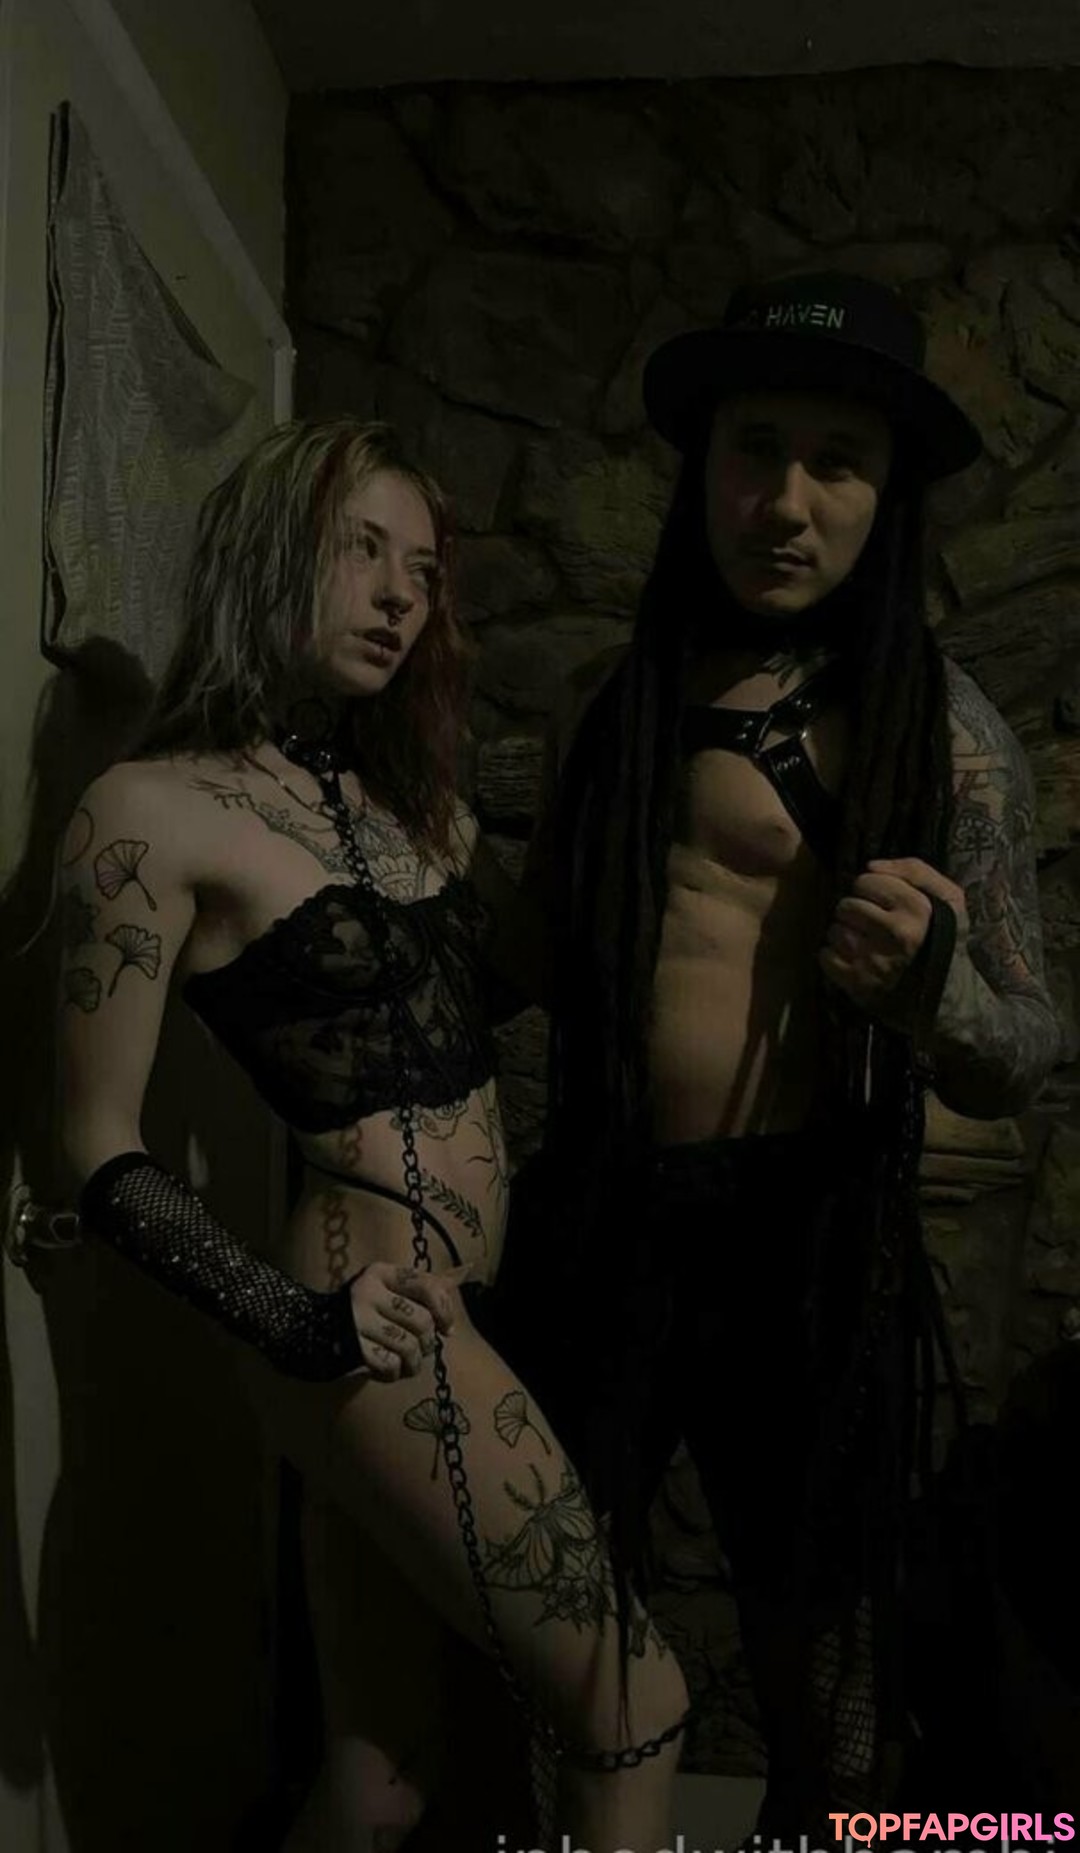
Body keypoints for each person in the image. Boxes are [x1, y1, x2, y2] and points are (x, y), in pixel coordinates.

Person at [55, 417, 688, 1853]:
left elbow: (514, 979)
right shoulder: (150, 811)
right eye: (362, 550)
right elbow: (95, 1144)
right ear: (268, 553)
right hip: (366, 1316)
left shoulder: (413, 810)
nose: (402, 595)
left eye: (424, 569)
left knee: (380, 1778)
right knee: (636, 1701)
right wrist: (295, 1323)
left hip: (454, 1308)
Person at [510, 270, 1063, 1827]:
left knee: (837, 1693)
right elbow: (519, 954)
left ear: (889, 496)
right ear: (705, 463)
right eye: (757, 448)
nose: (789, 501)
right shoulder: (610, 702)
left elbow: (1022, 1052)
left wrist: (933, 988)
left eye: (839, 461)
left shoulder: (946, 730)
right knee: (536, 1636)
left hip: (810, 1243)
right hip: (600, 1214)